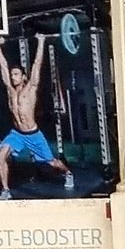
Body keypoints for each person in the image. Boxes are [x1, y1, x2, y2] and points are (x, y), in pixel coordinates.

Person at [0, 34, 74, 199]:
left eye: (16, 74)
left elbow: (37, 64)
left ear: (23, 76)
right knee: (1, 156)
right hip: (17, 134)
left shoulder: (31, 88)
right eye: (12, 75)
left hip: (33, 134)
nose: (12, 77)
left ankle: (67, 173)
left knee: (51, 162)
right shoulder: (10, 91)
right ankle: (6, 190)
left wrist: (41, 42)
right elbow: (3, 66)